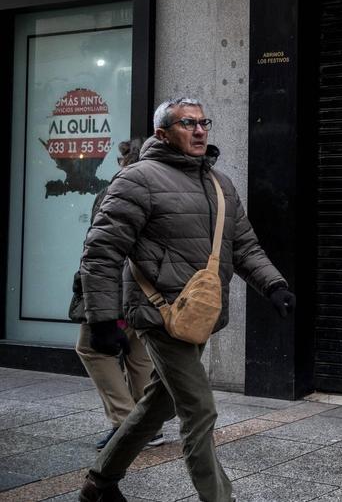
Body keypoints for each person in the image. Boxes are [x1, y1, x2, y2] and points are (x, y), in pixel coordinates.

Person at [77, 97, 297, 502]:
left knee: (157, 404)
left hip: (197, 314)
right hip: (157, 314)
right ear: (163, 133)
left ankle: (100, 482)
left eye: (203, 123)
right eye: (187, 124)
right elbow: (101, 252)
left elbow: (244, 246)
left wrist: (274, 285)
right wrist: (103, 319)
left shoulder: (219, 183)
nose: (199, 131)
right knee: (200, 409)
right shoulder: (137, 180)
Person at [68, 138, 162, 451]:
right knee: (138, 352)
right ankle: (149, 425)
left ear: (125, 164)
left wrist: (91, 292)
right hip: (146, 288)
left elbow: (100, 250)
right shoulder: (158, 192)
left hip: (114, 290)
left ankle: (126, 422)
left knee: (91, 348)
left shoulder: (113, 192)